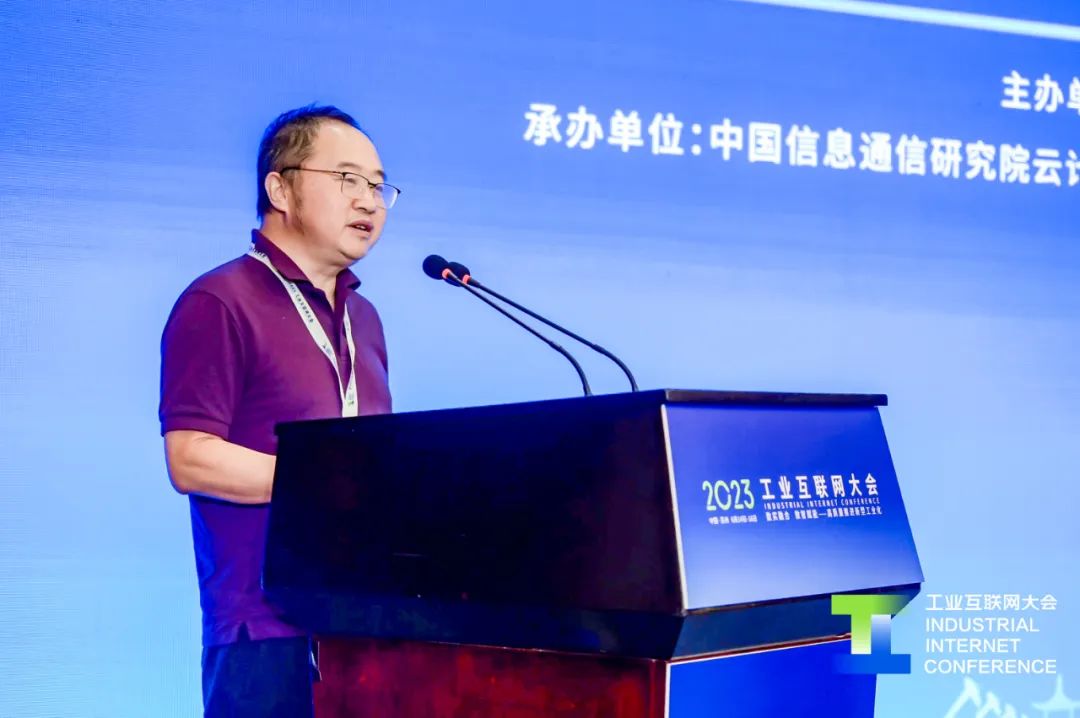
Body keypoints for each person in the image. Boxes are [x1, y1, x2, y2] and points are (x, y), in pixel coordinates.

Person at [158, 104, 398, 717]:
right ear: (280, 189)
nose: (369, 202)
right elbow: (190, 458)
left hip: (366, 624)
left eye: (378, 186)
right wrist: (326, 486)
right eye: (347, 179)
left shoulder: (364, 319)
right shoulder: (220, 300)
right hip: (262, 631)